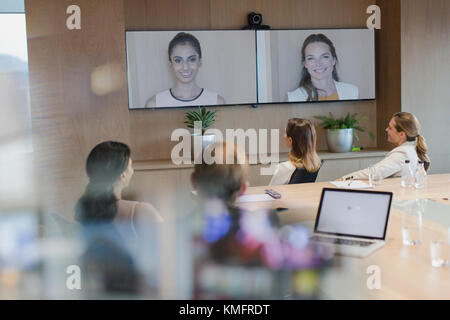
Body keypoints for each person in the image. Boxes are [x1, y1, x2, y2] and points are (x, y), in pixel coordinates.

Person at [75, 141, 163, 237]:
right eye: (130, 166)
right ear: (122, 175)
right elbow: (170, 246)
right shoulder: (142, 211)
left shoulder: (84, 212)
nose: (133, 171)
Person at [342, 112, 431, 180]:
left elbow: (375, 173)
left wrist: (342, 180)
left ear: (402, 134)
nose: (386, 129)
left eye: (390, 128)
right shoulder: (412, 149)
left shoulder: (403, 153)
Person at [145, 32, 225, 108]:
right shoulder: (155, 104)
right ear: (170, 63)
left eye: (192, 59)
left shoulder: (217, 102)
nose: (185, 67)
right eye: (178, 60)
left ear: (200, 61)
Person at [287, 33, 359, 102]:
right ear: (305, 64)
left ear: (333, 60)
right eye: (311, 58)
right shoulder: (293, 98)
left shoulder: (352, 92)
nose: (318, 64)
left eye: (325, 57)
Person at [269, 118, 322, 185]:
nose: (283, 136)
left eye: (285, 133)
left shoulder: (284, 168)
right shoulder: (315, 165)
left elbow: (270, 192)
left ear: (290, 140)